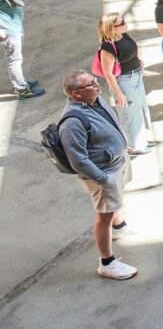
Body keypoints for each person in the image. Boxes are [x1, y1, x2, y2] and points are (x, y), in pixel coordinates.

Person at [58, 70, 138, 280]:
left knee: (115, 203)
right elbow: (78, 159)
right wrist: (103, 179)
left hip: (115, 164)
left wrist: (121, 146)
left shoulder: (95, 100)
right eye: (91, 84)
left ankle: (119, 227)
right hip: (103, 173)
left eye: (95, 82)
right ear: (76, 94)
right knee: (104, 215)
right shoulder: (72, 122)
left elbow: (109, 125)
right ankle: (107, 263)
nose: (97, 85)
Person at [97, 12, 153, 155]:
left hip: (136, 77)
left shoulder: (123, 35)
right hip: (124, 82)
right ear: (112, 28)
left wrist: (138, 60)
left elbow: (132, 49)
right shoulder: (107, 47)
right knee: (129, 115)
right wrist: (119, 94)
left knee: (139, 109)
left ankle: (142, 139)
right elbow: (108, 74)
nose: (125, 24)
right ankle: (133, 146)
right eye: (121, 23)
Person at [0, 0, 43, 98]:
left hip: (15, 27)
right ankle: (21, 89)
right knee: (14, 59)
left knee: (17, 58)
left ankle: (22, 82)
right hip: (8, 31)